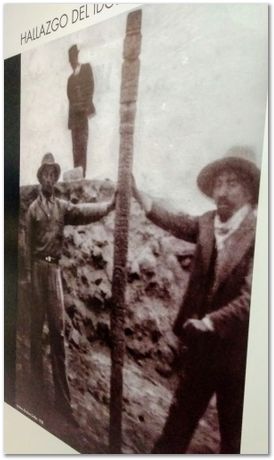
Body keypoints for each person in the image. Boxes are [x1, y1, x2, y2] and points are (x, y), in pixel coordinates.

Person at [132, 146, 260, 454]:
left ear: (250, 190)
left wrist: (212, 321)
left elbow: (252, 297)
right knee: (177, 426)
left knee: (235, 437)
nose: (222, 191)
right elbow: (175, 221)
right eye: (218, 183)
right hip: (201, 350)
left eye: (232, 183)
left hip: (240, 354)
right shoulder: (206, 224)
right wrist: (139, 195)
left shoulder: (260, 234)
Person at [26, 153, 115, 425]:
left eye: (54, 174)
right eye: (46, 175)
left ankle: (63, 405)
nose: (50, 179)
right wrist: (30, 282)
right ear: (40, 177)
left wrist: (109, 206)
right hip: (37, 273)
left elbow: (84, 212)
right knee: (33, 334)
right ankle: (36, 396)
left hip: (53, 272)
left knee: (58, 335)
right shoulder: (33, 211)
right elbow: (28, 248)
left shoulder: (62, 208)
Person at [67, 44, 95, 177]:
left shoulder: (86, 69)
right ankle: (76, 175)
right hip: (74, 118)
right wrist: (76, 107)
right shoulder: (70, 80)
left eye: (73, 58)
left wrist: (84, 107)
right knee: (75, 148)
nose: (71, 62)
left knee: (82, 145)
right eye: (70, 60)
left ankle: (82, 175)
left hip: (83, 115)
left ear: (76, 57)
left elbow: (90, 88)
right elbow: (70, 97)